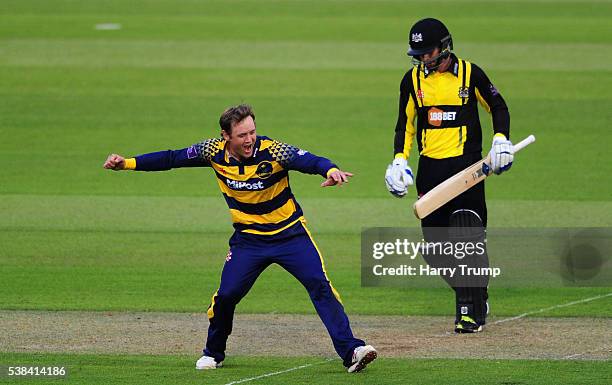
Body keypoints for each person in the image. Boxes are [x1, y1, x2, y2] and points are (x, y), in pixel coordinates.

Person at [104, 104, 377, 372]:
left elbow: (309, 160)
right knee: (226, 296)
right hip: (248, 242)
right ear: (226, 136)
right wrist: (126, 164)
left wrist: (329, 169)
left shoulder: (273, 150)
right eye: (242, 135)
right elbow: (171, 158)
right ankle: (213, 353)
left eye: (252, 133)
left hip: (290, 236)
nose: (249, 140)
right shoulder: (212, 151)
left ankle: (352, 350)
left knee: (320, 285)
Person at [385, 18, 514, 333]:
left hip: (467, 168)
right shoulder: (412, 81)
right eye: (418, 54)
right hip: (431, 171)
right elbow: (406, 124)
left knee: (467, 236)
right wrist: (399, 161)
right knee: (434, 250)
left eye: (427, 53)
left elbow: (499, 107)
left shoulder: (471, 74)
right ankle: (475, 295)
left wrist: (501, 139)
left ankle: (469, 313)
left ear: (444, 47)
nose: (422, 59)